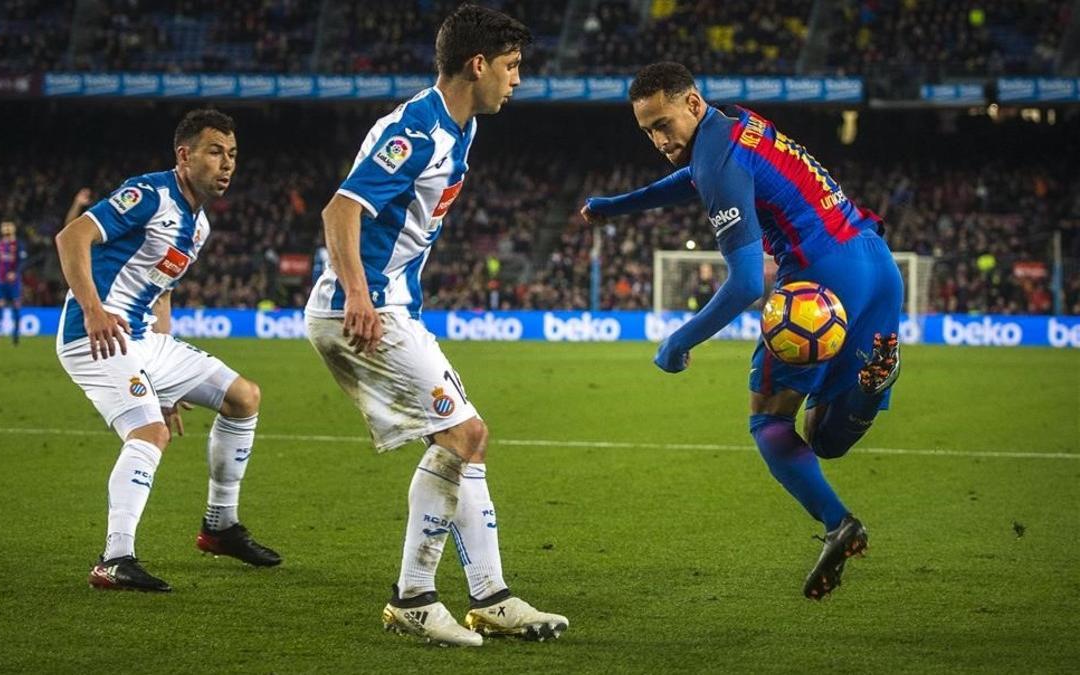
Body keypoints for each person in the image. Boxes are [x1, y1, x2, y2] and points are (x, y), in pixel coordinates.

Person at [581, 62, 902, 600]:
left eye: (663, 124)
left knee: (767, 421)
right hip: (876, 264)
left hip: (820, 283)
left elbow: (748, 282)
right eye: (648, 131)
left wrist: (679, 340)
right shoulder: (734, 125)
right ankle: (870, 390)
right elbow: (694, 176)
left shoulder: (717, 162)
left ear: (691, 102)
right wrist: (621, 206)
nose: (659, 139)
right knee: (823, 437)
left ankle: (838, 523)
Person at [305, 4, 567, 646]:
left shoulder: (463, 126)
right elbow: (339, 211)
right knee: (463, 433)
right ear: (477, 65)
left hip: (395, 305)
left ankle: (492, 596)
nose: (517, 80)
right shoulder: (415, 131)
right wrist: (359, 296)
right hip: (360, 310)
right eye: (511, 67)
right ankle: (413, 597)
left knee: (468, 440)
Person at [54, 109, 281, 593]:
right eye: (216, 151)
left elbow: (162, 292)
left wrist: (165, 380)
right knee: (150, 433)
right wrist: (93, 310)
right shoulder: (150, 194)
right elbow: (73, 236)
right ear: (185, 155)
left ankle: (219, 526)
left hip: (144, 339)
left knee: (244, 397)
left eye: (233, 155)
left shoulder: (198, 227)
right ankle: (115, 559)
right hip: (96, 333)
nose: (227, 164)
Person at [0, 220, 27, 345]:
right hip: (0, 281)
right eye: (5, 228)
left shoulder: (19, 244)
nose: (6, 231)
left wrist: (15, 272)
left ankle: (15, 337)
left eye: (8, 228)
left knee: (16, 308)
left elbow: (23, 262)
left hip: (14, 283)